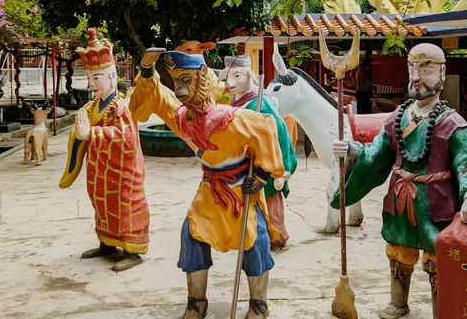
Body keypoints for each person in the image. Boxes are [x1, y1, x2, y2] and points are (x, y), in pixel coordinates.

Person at [331, 42, 467, 319]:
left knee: (438, 259)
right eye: (411, 68)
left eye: (425, 69)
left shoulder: (454, 124)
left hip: (437, 203)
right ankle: (398, 302)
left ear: (442, 73)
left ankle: (443, 309)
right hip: (401, 203)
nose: (415, 76)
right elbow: (379, 153)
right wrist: (354, 150)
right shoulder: (398, 118)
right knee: (398, 251)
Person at [129, 49, 284, 319]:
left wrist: (260, 176)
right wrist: (146, 71)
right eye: (176, 81)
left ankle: (259, 303)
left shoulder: (232, 118)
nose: (179, 89)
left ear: (201, 79)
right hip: (209, 190)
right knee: (191, 235)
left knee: (255, 239)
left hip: (238, 188)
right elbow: (151, 102)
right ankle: (196, 302)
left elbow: (268, 128)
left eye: (186, 80)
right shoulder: (181, 118)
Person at [59, 28, 149, 272]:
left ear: (111, 76)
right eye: (89, 78)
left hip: (122, 172)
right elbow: (80, 132)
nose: (91, 84)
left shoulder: (122, 108)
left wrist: (92, 134)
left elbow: (127, 138)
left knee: (125, 206)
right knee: (102, 204)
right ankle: (107, 244)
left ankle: (132, 250)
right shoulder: (91, 107)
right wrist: (78, 135)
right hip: (100, 170)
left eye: (96, 78)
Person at [219, 55, 297, 250]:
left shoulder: (260, 103)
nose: (231, 83)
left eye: (237, 76)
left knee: (270, 200)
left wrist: (282, 167)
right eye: (229, 76)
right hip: (246, 162)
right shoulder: (236, 102)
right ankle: (254, 234)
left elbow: (280, 133)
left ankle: (277, 237)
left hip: (267, 162)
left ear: (250, 76)